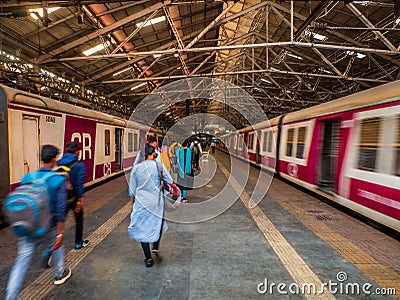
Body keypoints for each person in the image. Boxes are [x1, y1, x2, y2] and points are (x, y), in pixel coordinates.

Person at [6, 145, 71, 300]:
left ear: (42, 158)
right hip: (49, 227)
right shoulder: (58, 179)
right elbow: (61, 209)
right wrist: (60, 233)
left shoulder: (28, 177)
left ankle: (11, 296)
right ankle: (59, 273)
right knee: (57, 246)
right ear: (55, 159)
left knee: (21, 261)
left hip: (28, 227)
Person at [128, 144, 173, 267]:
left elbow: (132, 189)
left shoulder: (136, 168)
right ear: (153, 154)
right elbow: (170, 181)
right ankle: (155, 248)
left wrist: (132, 204)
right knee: (157, 223)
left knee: (143, 228)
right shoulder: (158, 166)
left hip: (141, 203)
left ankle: (148, 258)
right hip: (156, 203)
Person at [57, 141, 88, 250]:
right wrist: (80, 201)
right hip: (74, 197)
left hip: (61, 197)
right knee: (78, 220)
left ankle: (55, 242)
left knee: (60, 221)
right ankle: (78, 242)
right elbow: (79, 184)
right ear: (76, 152)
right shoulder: (79, 165)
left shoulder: (59, 163)